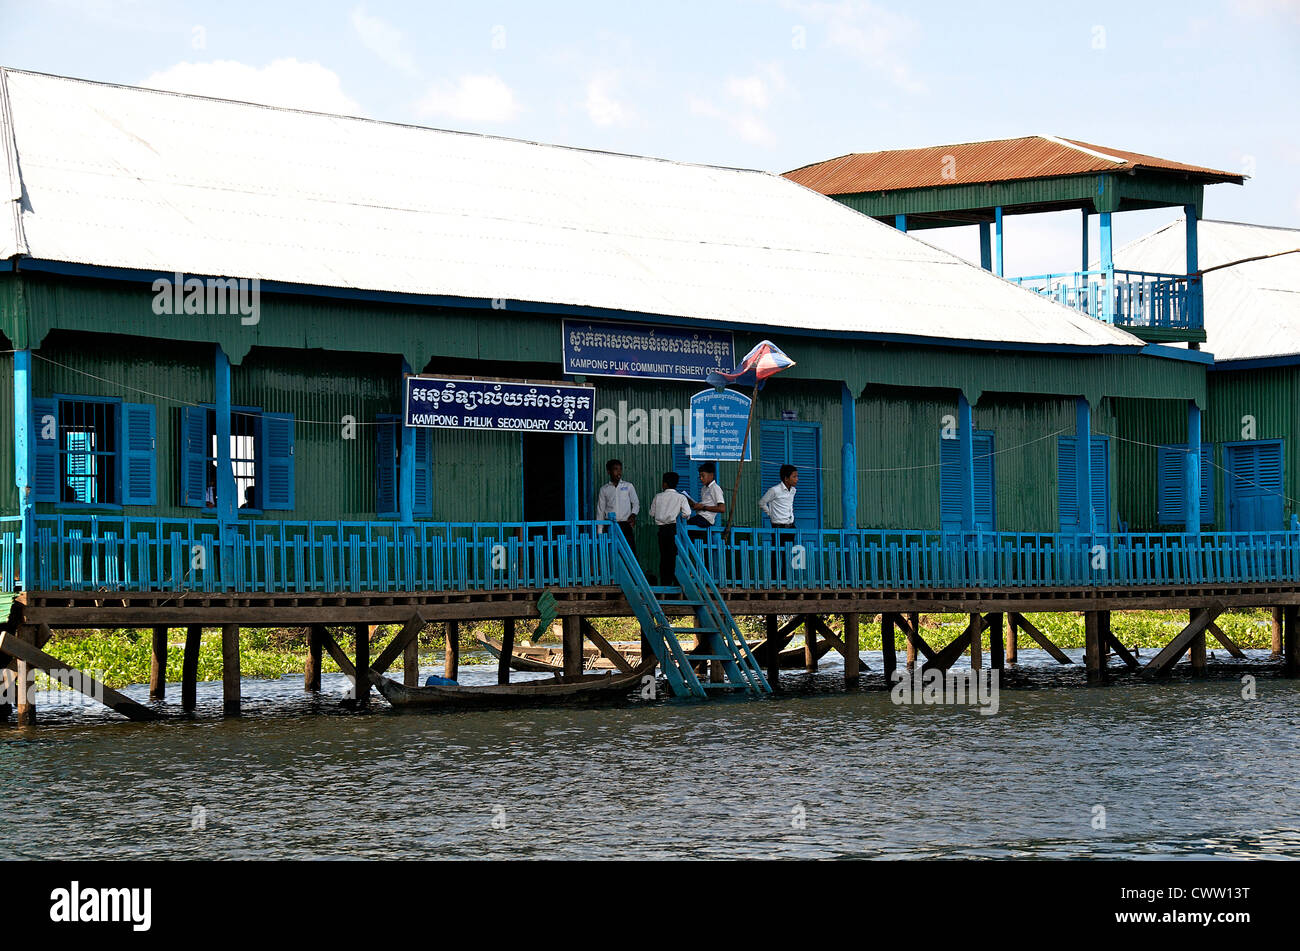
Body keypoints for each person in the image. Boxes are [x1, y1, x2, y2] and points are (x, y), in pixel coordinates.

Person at [649, 471, 692, 586]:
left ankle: (665, 582)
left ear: (665, 484)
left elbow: (652, 513)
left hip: (661, 530)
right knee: (672, 556)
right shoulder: (681, 497)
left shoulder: (658, 497)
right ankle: (674, 581)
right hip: (673, 529)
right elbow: (687, 514)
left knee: (663, 556)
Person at [759, 464, 799, 580]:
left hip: (790, 526)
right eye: (794, 476)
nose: (797, 479)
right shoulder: (774, 490)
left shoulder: (793, 491)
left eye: (797, 476)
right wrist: (771, 514)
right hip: (778, 527)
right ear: (786, 478)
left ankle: (788, 580)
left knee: (788, 554)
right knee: (776, 554)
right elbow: (762, 502)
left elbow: (789, 505)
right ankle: (775, 580)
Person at [596, 459, 639, 552]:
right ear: (609, 471)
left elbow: (636, 503)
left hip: (625, 524)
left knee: (630, 552)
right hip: (610, 525)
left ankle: (630, 567)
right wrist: (599, 531)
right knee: (612, 551)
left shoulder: (628, 486)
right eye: (615, 469)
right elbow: (600, 511)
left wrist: (633, 514)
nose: (619, 472)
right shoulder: (604, 489)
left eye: (620, 469)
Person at [688, 461, 725, 533]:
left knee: (687, 525)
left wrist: (703, 507)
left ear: (711, 475)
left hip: (706, 519)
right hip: (700, 516)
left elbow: (722, 509)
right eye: (700, 476)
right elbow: (705, 503)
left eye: (703, 476)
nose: (701, 478)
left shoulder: (715, 488)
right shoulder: (703, 488)